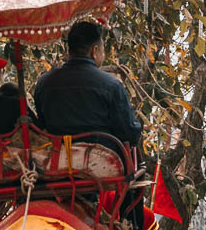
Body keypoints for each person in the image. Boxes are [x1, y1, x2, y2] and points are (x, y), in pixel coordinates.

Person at [32, 20, 142, 153]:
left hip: (56, 161)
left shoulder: (44, 83)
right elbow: (129, 133)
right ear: (94, 51)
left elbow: (42, 125)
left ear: (69, 50)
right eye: (103, 50)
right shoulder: (112, 85)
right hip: (103, 163)